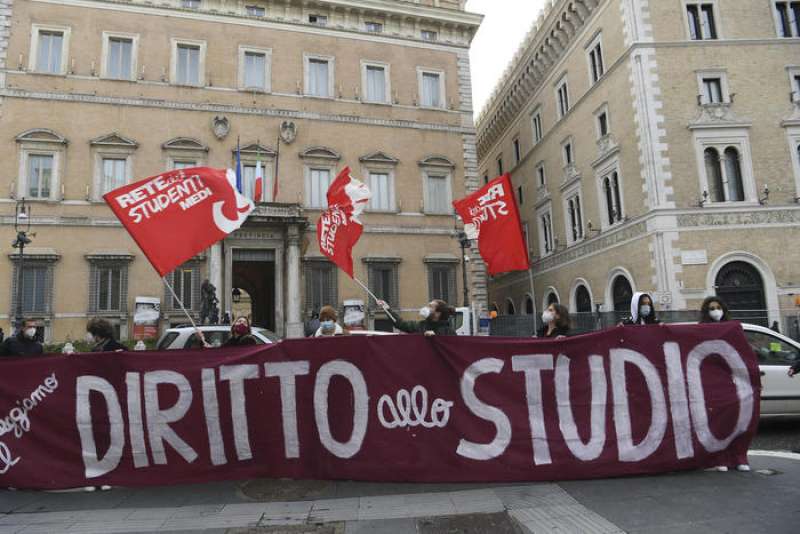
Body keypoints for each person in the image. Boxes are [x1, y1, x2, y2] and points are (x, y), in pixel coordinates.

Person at [376, 299, 456, 336]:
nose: (426, 308)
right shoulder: (421, 326)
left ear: (438, 313)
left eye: (430, 306)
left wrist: (436, 336)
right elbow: (401, 324)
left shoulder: (449, 332)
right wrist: (387, 308)